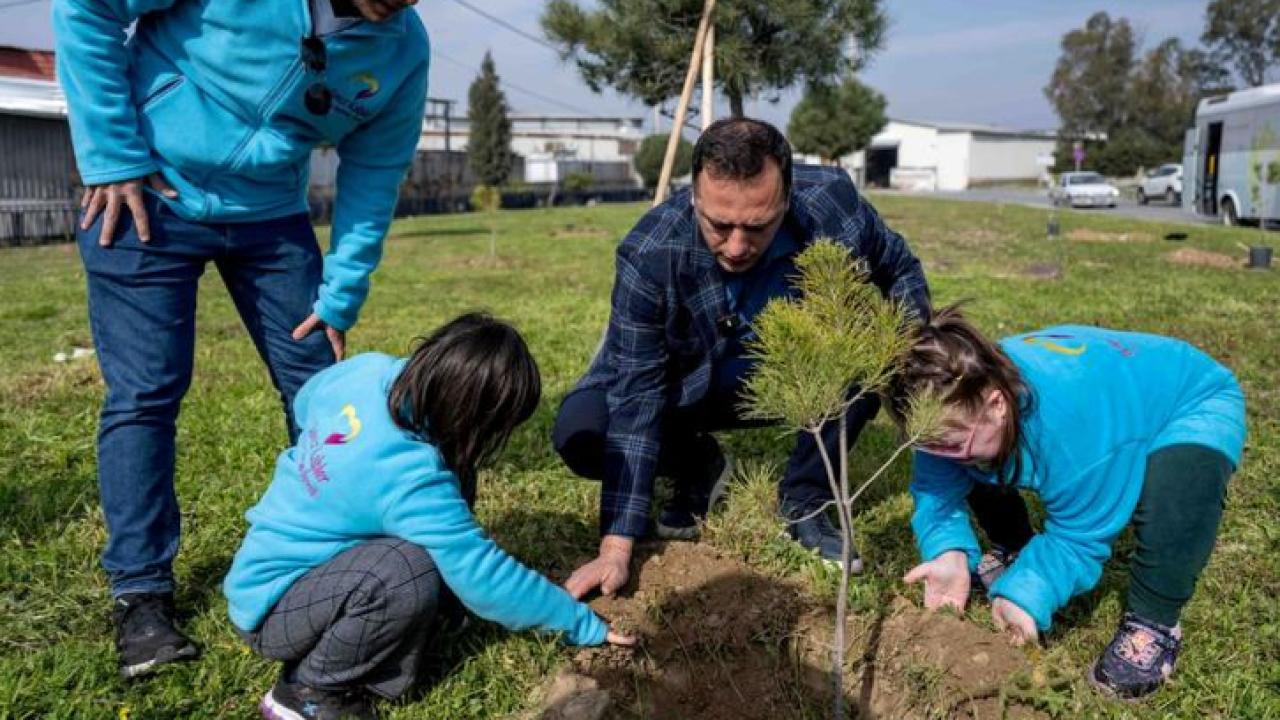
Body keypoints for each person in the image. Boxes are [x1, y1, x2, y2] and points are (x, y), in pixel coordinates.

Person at [53, 0, 430, 677]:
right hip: (146, 194)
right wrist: (110, 156)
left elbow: (375, 170)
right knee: (147, 392)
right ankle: (141, 595)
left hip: (269, 219)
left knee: (321, 388)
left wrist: (341, 294)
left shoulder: (402, 49)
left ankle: (328, 556)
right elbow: (86, 9)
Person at [553, 117, 931, 599]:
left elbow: (899, 268)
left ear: (787, 198)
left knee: (863, 348)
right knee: (583, 430)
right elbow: (637, 396)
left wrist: (904, 342)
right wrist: (616, 547)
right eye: (719, 224)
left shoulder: (833, 204)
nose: (736, 246)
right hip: (685, 385)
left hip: (790, 379)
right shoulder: (650, 253)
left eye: (757, 226)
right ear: (694, 198)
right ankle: (697, 464)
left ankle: (806, 499)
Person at [224, 313, 633, 720]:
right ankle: (312, 688)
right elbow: (485, 577)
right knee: (406, 569)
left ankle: (411, 620)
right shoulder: (410, 478)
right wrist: (580, 622)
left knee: (442, 502)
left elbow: (306, 401)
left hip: (258, 577)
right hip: (274, 611)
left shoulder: (369, 370)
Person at [893, 307, 1246, 699]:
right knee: (974, 460)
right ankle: (1016, 548)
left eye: (952, 442)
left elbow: (1079, 534)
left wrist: (1028, 593)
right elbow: (937, 485)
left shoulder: (1073, 434)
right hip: (1106, 384)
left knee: (1177, 497)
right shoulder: (948, 403)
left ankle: (1154, 623)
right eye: (929, 444)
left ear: (997, 403)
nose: (942, 453)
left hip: (1190, 399)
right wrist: (948, 552)